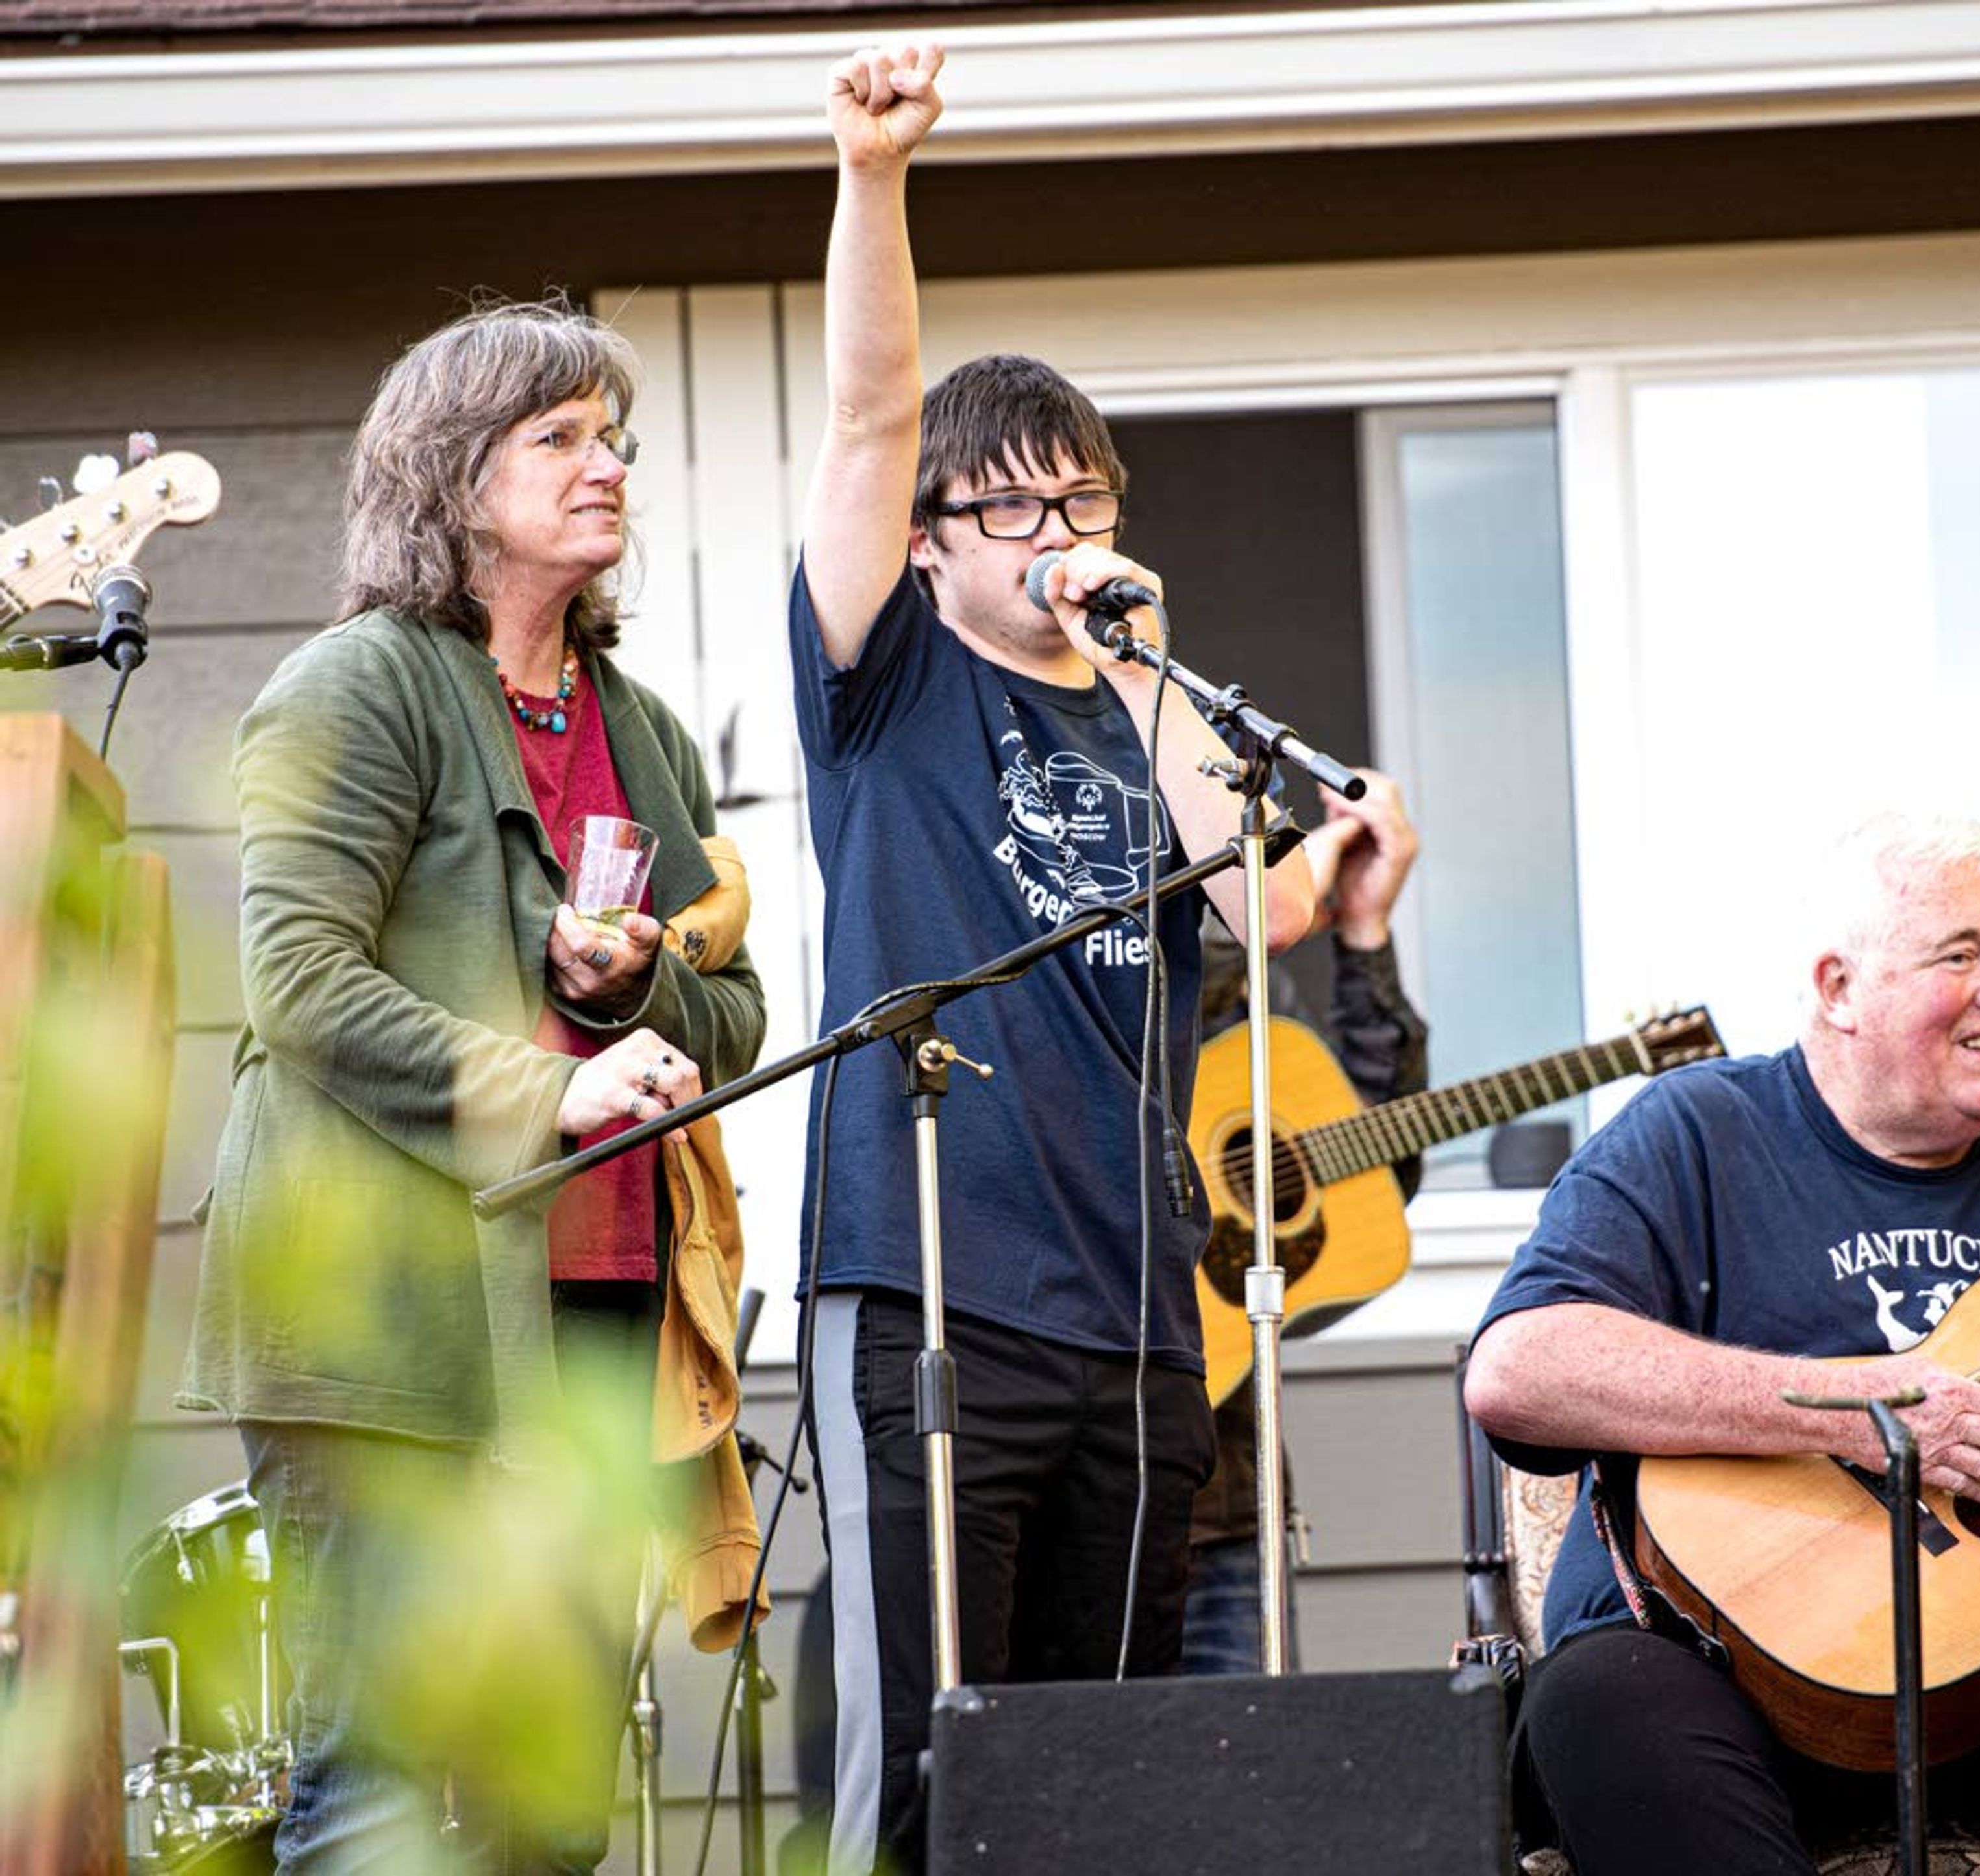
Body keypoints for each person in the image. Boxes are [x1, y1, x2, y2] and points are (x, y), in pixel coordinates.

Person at [790, 43, 1317, 1873]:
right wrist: (875, 177)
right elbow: (868, 425)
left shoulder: (1158, 711)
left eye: (1081, 500)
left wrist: (1148, 659)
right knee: (936, 1779)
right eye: (1012, 509)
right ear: (934, 548)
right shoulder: (890, 684)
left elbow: (1270, 910)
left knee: (1111, 1787)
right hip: (929, 1294)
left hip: (1142, 1316)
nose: (1056, 538)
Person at [179, 300, 766, 1871]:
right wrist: (547, 1089)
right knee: (372, 1780)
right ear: (451, 480)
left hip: (592, 1334)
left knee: (556, 1813)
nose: (609, 467)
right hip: (383, 1327)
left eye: (615, 438)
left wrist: (634, 983)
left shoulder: (642, 730)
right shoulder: (353, 686)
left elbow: (739, 1017)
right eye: (560, 439)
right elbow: (298, 982)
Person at [1462, 813, 1980, 1876]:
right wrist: (1860, 1407)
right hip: (1723, 1673)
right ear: (1838, 988)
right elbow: (1519, 1369)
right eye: (1961, 955)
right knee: (1600, 1703)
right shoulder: (1695, 1132)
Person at [1183, 771, 1427, 1674]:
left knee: (1247, 1791)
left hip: (1227, 1502)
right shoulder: (1145, 961)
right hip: (1082, 1506)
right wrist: (1291, 889)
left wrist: (1362, 930)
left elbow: (1375, 1166)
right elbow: (1136, 988)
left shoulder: (1258, 1004)